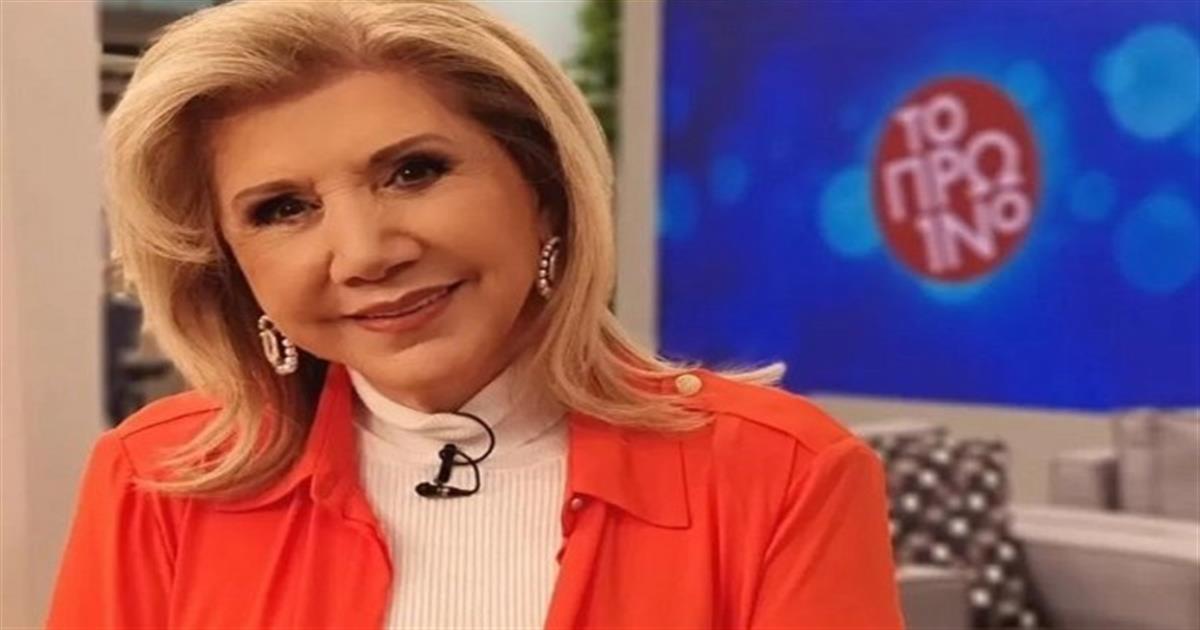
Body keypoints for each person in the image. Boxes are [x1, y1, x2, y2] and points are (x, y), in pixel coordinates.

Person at [47, 1, 903, 627]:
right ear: (230, 265)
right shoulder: (155, 477)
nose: (365, 253)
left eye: (414, 171)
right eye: (282, 209)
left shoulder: (782, 474)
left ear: (544, 189)